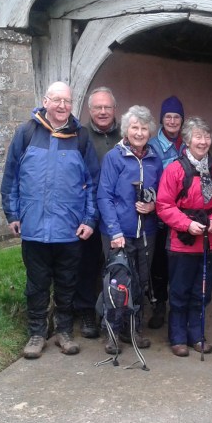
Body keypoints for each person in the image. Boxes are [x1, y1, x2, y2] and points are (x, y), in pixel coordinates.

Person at [1, 81, 100, 358]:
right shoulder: (27, 132)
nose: (61, 106)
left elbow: (93, 182)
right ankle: (36, 333)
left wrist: (90, 219)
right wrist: (12, 214)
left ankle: (64, 331)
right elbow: (11, 178)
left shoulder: (80, 137)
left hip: (69, 228)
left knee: (67, 283)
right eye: (56, 100)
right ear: (45, 101)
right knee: (37, 283)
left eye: (67, 101)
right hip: (33, 226)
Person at [156, 117, 212, 357]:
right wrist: (186, 224)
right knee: (179, 291)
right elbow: (164, 205)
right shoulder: (175, 169)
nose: (203, 141)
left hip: (209, 240)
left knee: (202, 291)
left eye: (207, 137)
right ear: (187, 140)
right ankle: (178, 337)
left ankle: (197, 335)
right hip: (182, 241)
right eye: (198, 137)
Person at [96, 105, 163, 354]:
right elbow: (104, 196)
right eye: (135, 127)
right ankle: (112, 331)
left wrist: (152, 205)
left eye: (144, 128)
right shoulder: (115, 157)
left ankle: (132, 329)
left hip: (146, 231)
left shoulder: (154, 158)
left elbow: (162, 193)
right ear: (126, 129)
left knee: (140, 281)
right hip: (118, 232)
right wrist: (114, 232)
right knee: (118, 282)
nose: (139, 132)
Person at [73, 87, 119, 340]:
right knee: (87, 264)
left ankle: (114, 312)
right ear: (89, 111)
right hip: (88, 210)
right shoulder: (79, 135)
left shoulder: (126, 133)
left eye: (107, 107)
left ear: (115, 109)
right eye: (97, 107)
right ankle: (87, 312)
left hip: (117, 212)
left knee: (114, 265)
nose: (103, 112)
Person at [146, 95, 186, 330]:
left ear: (182, 120)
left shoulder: (188, 144)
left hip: (183, 217)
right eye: (168, 117)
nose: (172, 121)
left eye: (177, 117)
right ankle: (159, 305)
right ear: (162, 120)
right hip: (159, 217)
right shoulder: (152, 146)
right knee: (158, 266)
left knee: (180, 266)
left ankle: (179, 310)